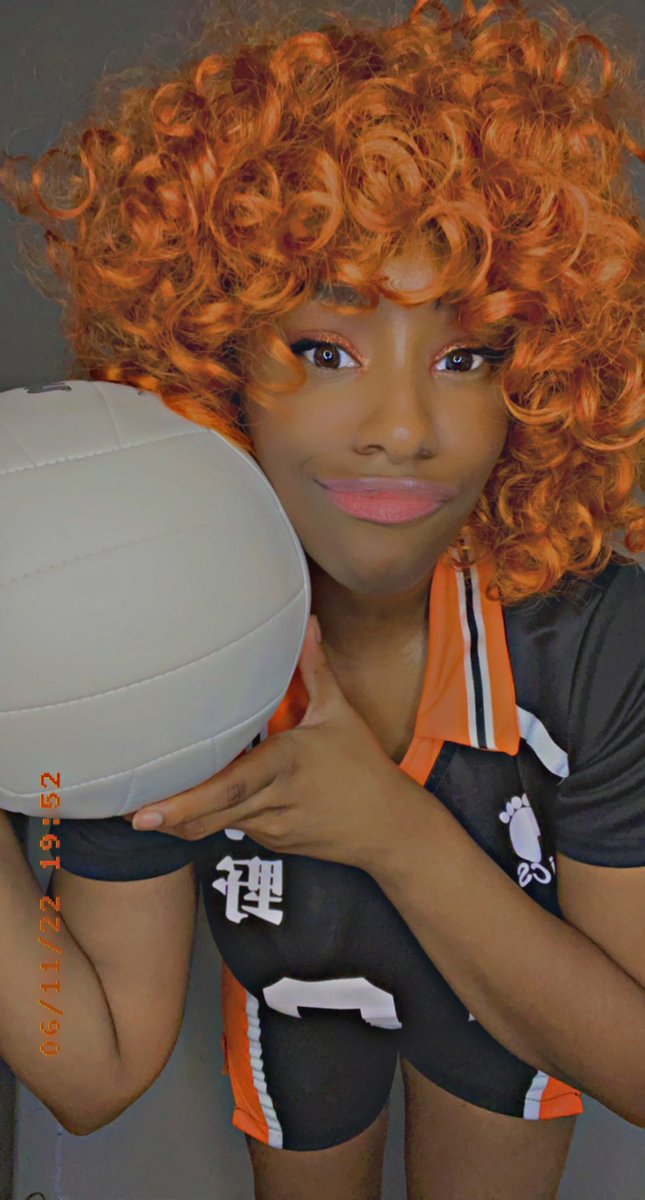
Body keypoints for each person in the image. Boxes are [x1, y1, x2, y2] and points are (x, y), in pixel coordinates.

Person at [1, 0, 644, 1196]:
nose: (400, 427)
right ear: (219, 359)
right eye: (326, 350)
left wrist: (391, 832)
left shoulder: (591, 641)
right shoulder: (138, 635)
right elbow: (89, 1067)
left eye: (466, 357)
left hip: (512, 1010)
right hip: (299, 1002)